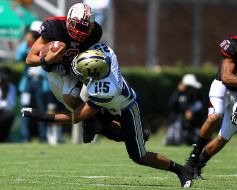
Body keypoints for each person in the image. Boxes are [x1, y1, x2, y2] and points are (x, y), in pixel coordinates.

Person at [22, 45, 194, 187]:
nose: (78, 74)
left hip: (125, 109)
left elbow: (74, 117)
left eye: (82, 72)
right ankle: (121, 132)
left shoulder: (100, 91)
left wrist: (42, 116)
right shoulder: (106, 54)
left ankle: (180, 170)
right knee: (96, 123)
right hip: (112, 103)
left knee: (138, 156)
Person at [25, 3, 127, 143]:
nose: (81, 32)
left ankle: (116, 126)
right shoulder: (54, 27)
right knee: (72, 103)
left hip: (76, 67)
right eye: (78, 26)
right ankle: (104, 127)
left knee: (77, 99)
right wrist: (46, 59)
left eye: (85, 28)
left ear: (91, 26)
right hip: (55, 70)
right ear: (69, 21)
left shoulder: (95, 32)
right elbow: (30, 59)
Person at [184, 22, 237, 180]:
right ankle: (192, 158)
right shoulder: (233, 45)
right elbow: (226, 77)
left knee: (224, 137)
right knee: (215, 115)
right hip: (222, 86)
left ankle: (198, 166)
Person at [16, 22, 48, 143]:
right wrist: (27, 43)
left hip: (40, 82)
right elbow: (18, 56)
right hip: (28, 82)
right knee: (25, 109)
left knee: (42, 110)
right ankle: (25, 136)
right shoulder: (27, 46)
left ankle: (43, 137)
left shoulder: (46, 45)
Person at [164, 74, 205, 146]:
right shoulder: (178, 94)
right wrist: (178, 92)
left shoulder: (195, 95)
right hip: (176, 121)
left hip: (192, 124)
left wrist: (190, 112)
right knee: (173, 139)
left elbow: (199, 107)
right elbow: (172, 105)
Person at [0, 68, 17, 142]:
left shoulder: (12, 87)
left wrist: (4, 90)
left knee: (9, 115)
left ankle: (4, 137)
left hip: (3, 112)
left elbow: (10, 105)